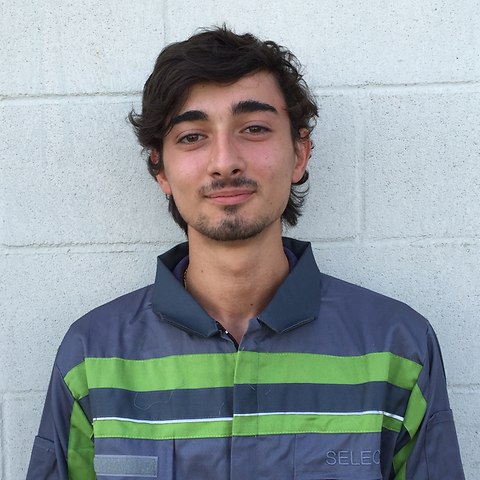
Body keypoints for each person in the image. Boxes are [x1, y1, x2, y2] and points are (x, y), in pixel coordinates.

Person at [27, 26, 464, 479]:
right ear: (160, 168)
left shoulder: (398, 350)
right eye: (192, 136)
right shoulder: (92, 358)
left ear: (299, 153)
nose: (225, 161)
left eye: (254, 128)